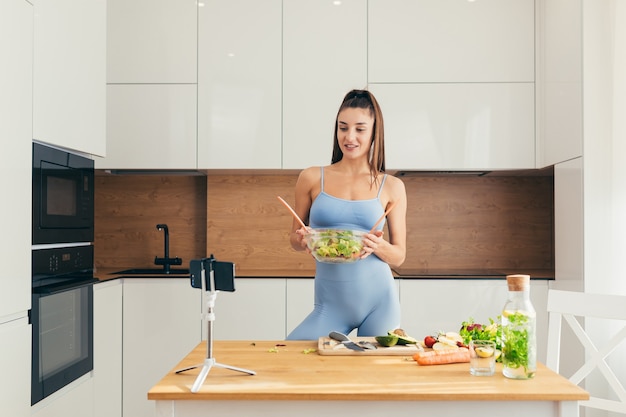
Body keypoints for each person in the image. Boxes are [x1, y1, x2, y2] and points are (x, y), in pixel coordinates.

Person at [286, 89, 407, 340]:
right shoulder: (310, 178)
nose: (349, 137)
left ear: (374, 132)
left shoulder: (392, 186)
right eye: (343, 128)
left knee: (373, 378)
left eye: (360, 129)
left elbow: (399, 257)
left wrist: (378, 245)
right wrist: (301, 239)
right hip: (329, 307)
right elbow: (294, 240)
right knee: (292, 360)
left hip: (379, 304)